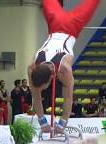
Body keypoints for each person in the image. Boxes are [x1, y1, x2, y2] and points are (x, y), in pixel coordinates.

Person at [28, 0, 100, 133]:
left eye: (44, 87)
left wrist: (62, 124)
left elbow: (68, 98)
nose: (42, 90)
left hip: (72, 26)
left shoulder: (64, 69)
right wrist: (42, 121)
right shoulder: (32, 67)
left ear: (50, 78)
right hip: (55, 22)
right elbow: (36, 95)